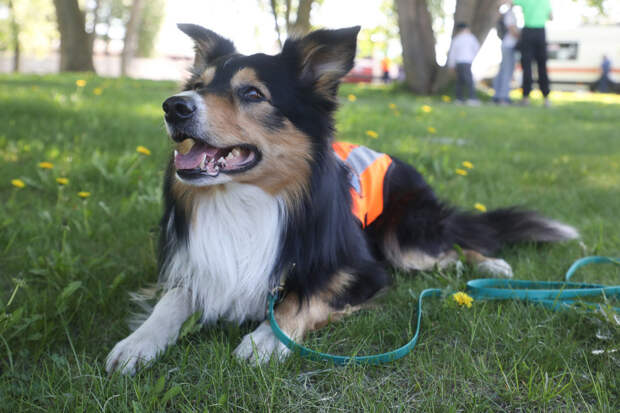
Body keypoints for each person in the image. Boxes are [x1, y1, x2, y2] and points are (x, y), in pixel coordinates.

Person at [513, 0, 552, 107]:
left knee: (526, 66)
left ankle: (526, 98)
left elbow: (508, 2)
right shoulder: (546, 2)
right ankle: (546, 99)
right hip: (540, 33)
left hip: (528, 32)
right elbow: (551, 17)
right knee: (542, 66)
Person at [447, 22, 481, 105]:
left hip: (458, 62)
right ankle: (471, 98)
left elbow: (452, 53)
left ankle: (459, 98)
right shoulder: (471, 38)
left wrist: (451, 65)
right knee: (468, 80)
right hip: (467, 62)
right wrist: (472, 57)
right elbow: (476, 48)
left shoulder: (456, 39)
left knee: (460, 81)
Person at [493, 1, 519, 105]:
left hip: (506, 45)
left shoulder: (507, 13)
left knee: (503, 70)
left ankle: (498, 95)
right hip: (510, 45)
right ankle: (503, 97)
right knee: (507, 71)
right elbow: (512, 29)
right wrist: (522, 38)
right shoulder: (510, 13)